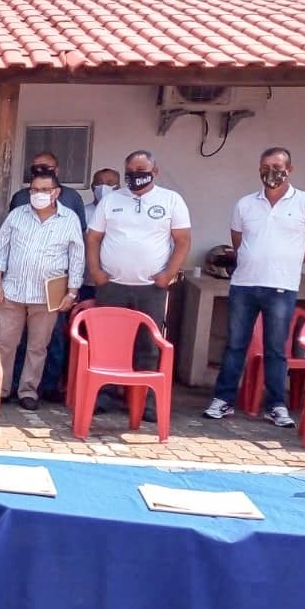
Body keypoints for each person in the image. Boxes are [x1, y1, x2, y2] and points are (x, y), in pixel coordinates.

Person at [203, 147, 305, 427]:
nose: (271, 171)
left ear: (290, 170)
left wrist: (288, 263)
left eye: (277, 166)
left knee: (276, 348)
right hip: (244, 285)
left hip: (281, 286)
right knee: (235, 345)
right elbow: (238, 241)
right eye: (266, 166)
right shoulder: (245, 204)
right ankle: (223, 400)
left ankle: (276, 405)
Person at [86, 149, 192, 421]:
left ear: (154, 172)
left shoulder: (171, 200)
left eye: (141, 172)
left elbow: (182, 241)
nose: (135, 177)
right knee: (108, 342)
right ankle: (105, 396)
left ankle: (144, 400)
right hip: (113, 285)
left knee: (148, 344)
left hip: (151, 288)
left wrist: (168, 275)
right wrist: (96, 271)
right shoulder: (111, 201)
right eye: (130, 173)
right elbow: (94, 238)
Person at [0, 172, 84, 410]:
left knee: (38, 346)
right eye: (34, 190)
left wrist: (71, 293)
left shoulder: (69, 219)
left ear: (56, 192)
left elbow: (77, 258)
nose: (38, 195)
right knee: (4, 344)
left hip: (47, 296)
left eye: (44, 190)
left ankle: (28, 391)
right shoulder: (17, 215)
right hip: (11, 292)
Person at [39, 167, 120, 402]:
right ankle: (66, 385)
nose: (104, 187)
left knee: (108, 339)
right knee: (72, 336)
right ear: (92, 185)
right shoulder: (82, 213)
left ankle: (107, 390)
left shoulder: (122, 212)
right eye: (100, 182)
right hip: (82, 282)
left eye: (111, 182)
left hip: (113, 284)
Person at [9, 151, 87, 232]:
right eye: (35, 169)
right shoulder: (19, 197)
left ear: (56, 171)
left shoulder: (72, 197)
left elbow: (80, 230)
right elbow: (10, 228)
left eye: (45, 168)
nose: (40, 171)